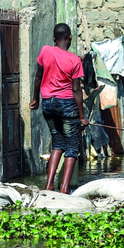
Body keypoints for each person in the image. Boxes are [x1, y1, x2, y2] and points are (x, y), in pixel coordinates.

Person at [29, 23, 89, 194]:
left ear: (54, 39)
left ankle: (48, 186)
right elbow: (76, 90)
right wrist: (82, 116)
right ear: (70, 38)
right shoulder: (75, 61)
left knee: (57, 144)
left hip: (48, 103)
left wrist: (35, 99)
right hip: (67, 105)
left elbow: (38, 76)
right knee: (71, 148)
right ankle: (64, 189)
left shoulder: (45, 51)